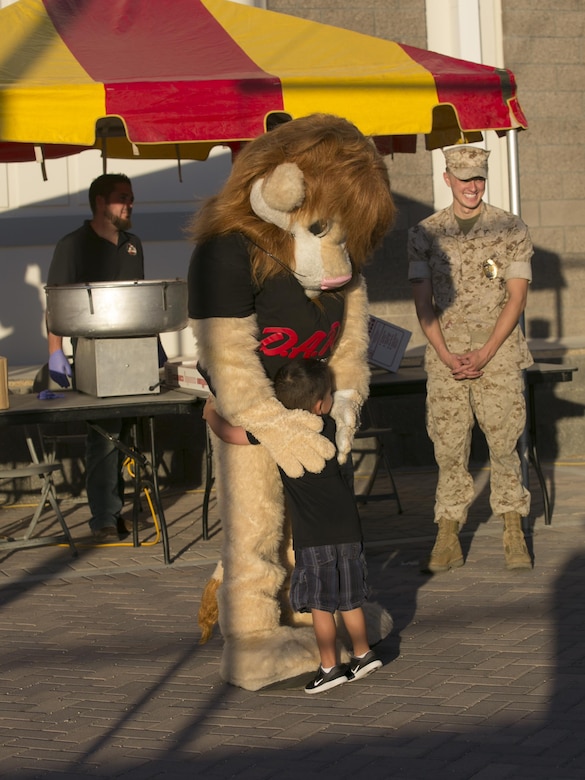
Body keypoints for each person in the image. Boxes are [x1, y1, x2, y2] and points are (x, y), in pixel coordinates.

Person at [203, 358, 382, 694]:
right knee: (350, 598)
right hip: (349, 530)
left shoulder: (277, 431)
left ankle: (330, 667)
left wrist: (210, 412)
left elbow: (230, 434)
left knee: (321, 605)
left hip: (314, 538)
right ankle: (363, 653)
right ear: (319, 404)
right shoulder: (328, 425)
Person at [408, 145, 533, 573]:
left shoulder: (510, 227)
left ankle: (513, 530)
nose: (472, 187)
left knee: (503, 443)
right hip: (447, 358)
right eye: (463, 180)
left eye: (478, 178)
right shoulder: (424, 233)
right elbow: (423, 303)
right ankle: (448, 534)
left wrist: (485, 351)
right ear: (448, 180)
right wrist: (445, 352)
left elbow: (515, 299)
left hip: (496, 355)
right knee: (449, 447)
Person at [46, 173, 145, 542]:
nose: (130, 204)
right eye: (122, 197)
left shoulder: (133, 244)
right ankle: (104, 516)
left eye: (131, 197)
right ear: (100, 202)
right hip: (91, 352)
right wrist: (56, 351)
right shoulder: (73, 245)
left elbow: (138, 298)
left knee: (129, 431)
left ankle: (118, 509)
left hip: (134, 351)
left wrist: (155, 341)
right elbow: (55, 302)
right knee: (105, 434)